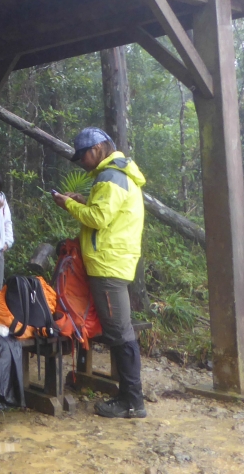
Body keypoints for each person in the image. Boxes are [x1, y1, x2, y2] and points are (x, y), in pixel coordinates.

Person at [51, 127, 147, 419]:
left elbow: (99, 218)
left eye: (83, 155)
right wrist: (83, 202)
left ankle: (132, 401)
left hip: (108, 266)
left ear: (100, 148)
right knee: (120, 331)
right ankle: (129, 396)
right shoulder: (117, 175)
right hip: (113, 262)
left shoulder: (110, 177)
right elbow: (106, 212)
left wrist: (67, 204)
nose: (81, 161)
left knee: (120, 333)